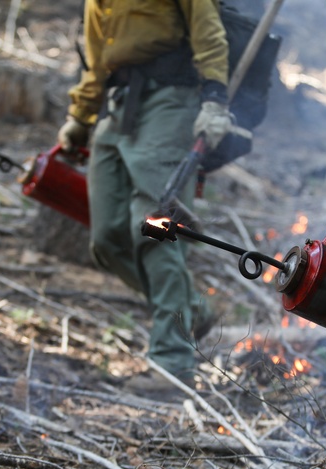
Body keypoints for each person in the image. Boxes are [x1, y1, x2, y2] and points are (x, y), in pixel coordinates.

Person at [56, 0, 236, 397]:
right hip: (118, 106)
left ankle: (172, 364)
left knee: (154, 231)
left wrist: (215, 100)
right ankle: (193, 310)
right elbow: (97, 57)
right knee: (106, 239)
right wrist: (81, 117)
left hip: (169, 103)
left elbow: (208, 32)